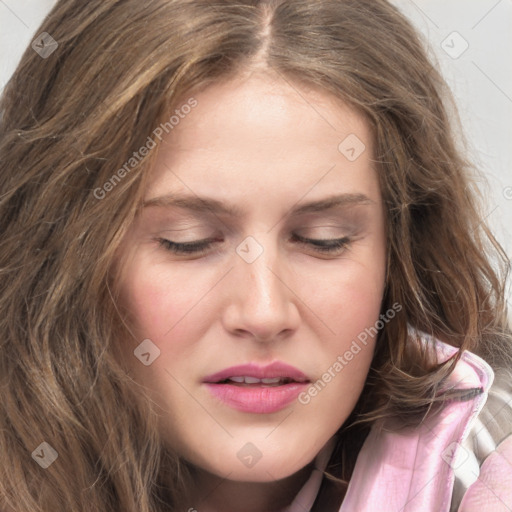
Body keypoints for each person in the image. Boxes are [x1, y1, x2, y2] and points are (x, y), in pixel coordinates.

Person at [0, 1, 511, 511]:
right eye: (188, 240)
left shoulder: (489, 467)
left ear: (397, 255)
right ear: (60, 259)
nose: (264, 312)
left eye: (323, 239)